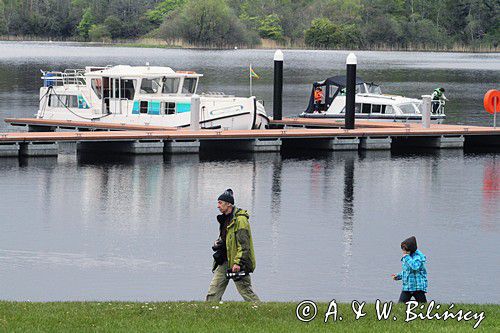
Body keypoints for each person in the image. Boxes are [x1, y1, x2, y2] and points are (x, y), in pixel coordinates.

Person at [206, 189, 260, 302]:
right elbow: (227, 238)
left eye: (220, 203)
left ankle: (260, 310)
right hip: (224, 260)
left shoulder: (240, 220)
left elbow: (244, 246)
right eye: (218, 203)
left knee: (246, 291)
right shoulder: (225, 218)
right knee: (213, 291)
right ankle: (209, 312)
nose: (218, 206)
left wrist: (238, 263)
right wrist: (219, 242)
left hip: (238, 263)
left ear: (229, 204)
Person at [391, 236, 428, 303]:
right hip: (407, 287)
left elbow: (415, 267)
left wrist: (407, 257)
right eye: (403, 250)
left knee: (423, 305)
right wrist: (398, 276)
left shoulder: (418, 257)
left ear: (410, 250)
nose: (403, 252)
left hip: (418, 287)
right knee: (401, 305)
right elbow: (406, 271)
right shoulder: (407, 257)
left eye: (405, 250)